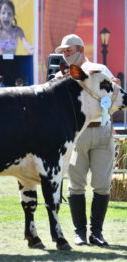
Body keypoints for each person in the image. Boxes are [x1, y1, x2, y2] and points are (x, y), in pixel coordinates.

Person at [55, 34, 121, 247]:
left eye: (69, 50)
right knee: (76, 185)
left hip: (102, 131)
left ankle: (97, 233)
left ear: (81, 49)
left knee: (102, 185)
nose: (65, 55)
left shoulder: (100, 69)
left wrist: (114, 86)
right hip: (78, 134)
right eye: (63, 52)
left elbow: (114, 96)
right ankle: (80, 233)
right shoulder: (62, 76)